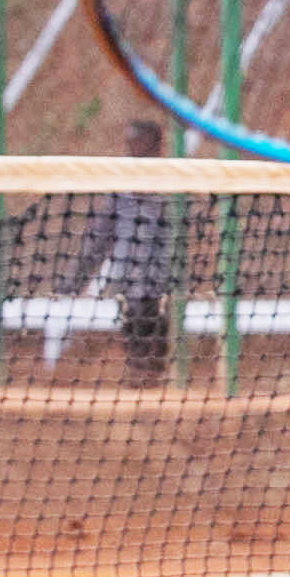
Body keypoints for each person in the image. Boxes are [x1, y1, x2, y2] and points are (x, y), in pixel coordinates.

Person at [83, 119, 180, 387]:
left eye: (138, 141)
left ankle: (153, 377)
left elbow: (179, 234)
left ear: (155, 146)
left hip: (158, 278)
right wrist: (78, 277)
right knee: (133, 328)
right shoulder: (121, 185)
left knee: (155, 330)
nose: (131, 147)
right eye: (129, 141)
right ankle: (139, 376)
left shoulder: (170, 184)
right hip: (127, 275)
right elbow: (101, 232)